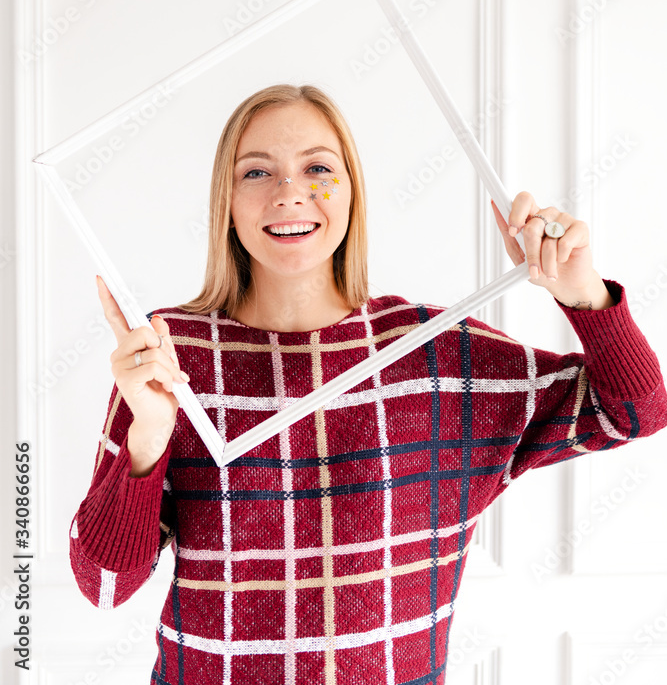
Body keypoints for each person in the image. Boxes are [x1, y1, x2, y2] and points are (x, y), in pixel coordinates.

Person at [69, 82, 667, 685]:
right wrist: (148, 436)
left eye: (318, 168)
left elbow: (637, 411)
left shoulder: (436, 353)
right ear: (225, 199)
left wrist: (584, 294)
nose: (289, 192)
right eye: (256, 173)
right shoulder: (169, 357)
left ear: (352, 191)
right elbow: (103, 584)